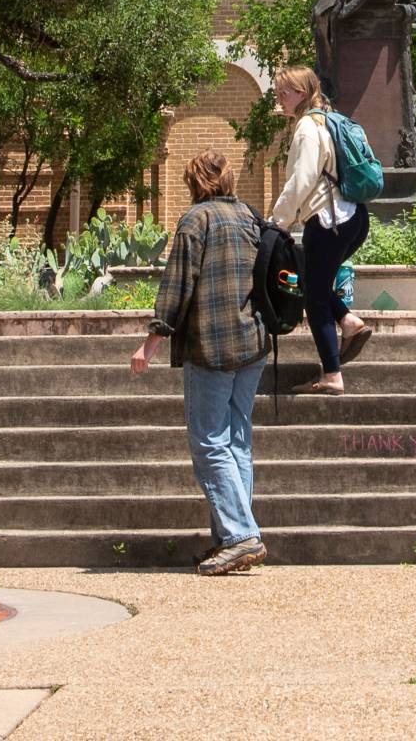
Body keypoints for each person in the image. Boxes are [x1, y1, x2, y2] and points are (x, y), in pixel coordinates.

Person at [133, 149, 272, 574]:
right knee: (236, 442)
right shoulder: (251, 216)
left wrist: (150, 344)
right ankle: (231, 539)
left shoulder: (197, 221)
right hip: (253, 343)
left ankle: (239, 535)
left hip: (211, 346)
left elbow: (177, 285)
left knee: (209, 440)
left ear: (195, 182)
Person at [270, 67, 373, 392]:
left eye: (284, 93)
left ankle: (332, 375)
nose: (280, 100)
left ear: (302, 93)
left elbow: (301, 181)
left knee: (313, 297)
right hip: (353, 217)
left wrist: (277, 221)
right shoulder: (328, 121)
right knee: (314, 283)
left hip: (328, 221)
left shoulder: (307, 128)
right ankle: (347, 320)